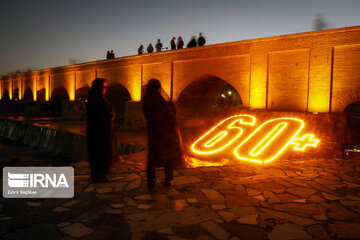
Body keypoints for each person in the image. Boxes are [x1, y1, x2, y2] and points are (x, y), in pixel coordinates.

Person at [142, 79, 184, 190]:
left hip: (154, 134)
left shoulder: (147, 99)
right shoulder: (158, 100)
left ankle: (151, 180)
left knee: (153, 157)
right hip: (164, 133)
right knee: (167, 156)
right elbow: (167, 114)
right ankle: (168, 178)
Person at [86, 78, 115, 182]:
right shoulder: (95, 101)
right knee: (98, 153)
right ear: (97, 88)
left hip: (105, 133)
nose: (105, 89)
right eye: (103, 87)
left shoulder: (101, 99)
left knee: (103, 153)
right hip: (98, 134)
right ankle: (99, 175)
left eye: (106, 87)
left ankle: (102, 173)